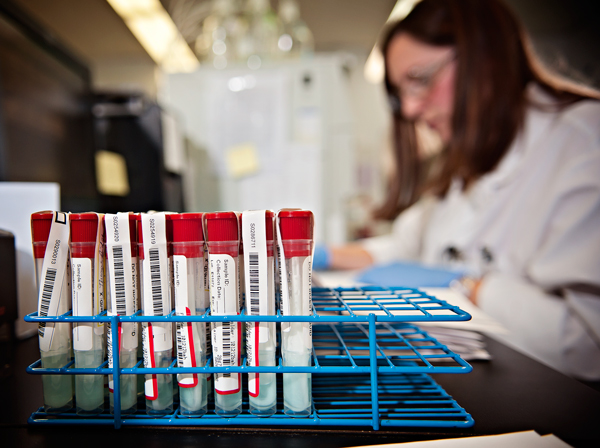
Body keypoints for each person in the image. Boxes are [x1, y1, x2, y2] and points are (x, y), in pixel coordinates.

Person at [314, 0, 600, 381]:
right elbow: (404, 247)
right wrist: (322, 254)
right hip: (466, 376)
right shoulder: (464, 165)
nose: (412, 110)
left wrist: (469, 287)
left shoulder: (584, 144)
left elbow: (587, 346)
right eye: (403, 93)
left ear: (485, 57)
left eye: (420, 79)